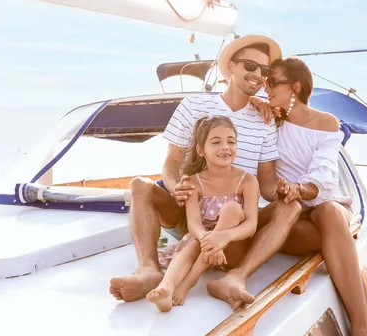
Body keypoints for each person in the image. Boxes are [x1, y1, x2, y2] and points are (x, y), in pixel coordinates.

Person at [109, 35, 302, 306]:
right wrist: (178, 188)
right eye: (250, 65)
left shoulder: (265, 119)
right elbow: (171, 163)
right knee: (140, 185)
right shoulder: (193, 105)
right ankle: (149, 270)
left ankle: (236, 276)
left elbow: (267, 183)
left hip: (231, 222)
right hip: (189, 211)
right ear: (231, 67)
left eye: (265, 70)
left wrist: (288, 189)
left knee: (290, 207)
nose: (257, 74)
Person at [253, 57, 367, 335]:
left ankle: (361, 326)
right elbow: (267, 186)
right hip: (292, 212)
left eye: (273, 82)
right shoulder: (268, 122)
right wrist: (284, 192)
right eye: (265, 83)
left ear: (295, 86)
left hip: (324, 203)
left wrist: (300, 188)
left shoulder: (326, 123)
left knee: (329, 212)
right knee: (334, 237)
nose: (266, 88)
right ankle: (366, 328)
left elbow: (323, 176)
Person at [146, 116, 260, 312]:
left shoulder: (247, 181)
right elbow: (194, 224)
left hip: (233, 247)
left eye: (231, 141)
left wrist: (222, 237)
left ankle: (190, 281)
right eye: (216, 142)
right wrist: (209, 241)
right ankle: (166, 286)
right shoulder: (192, 182)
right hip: (205, 245)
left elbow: (251, 225)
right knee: (193, 241)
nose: (225, 147)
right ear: (201, 150)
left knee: (232, 209)